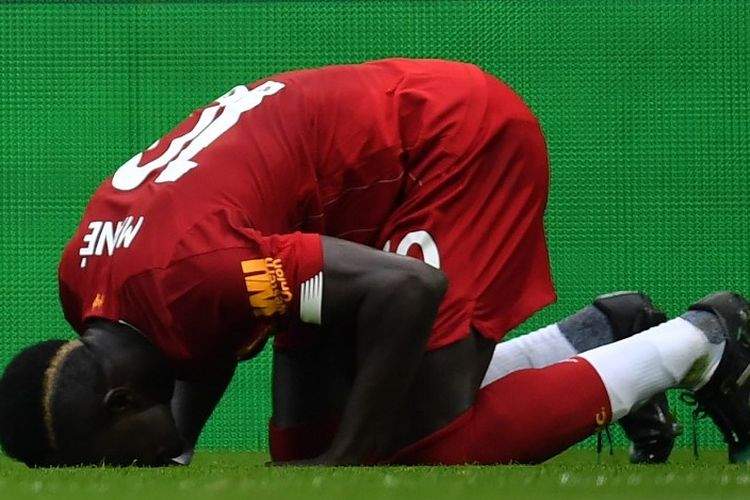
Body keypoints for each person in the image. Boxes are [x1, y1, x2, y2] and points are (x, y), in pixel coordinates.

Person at [0, 59, 748, 467]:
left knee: (423, 442)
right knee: (301, 449)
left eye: (110, 463)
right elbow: (203, 332)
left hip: (444, 146)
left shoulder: (196, 274)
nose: (118, 479)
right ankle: (599, 334)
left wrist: (355, 459)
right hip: (329, 214)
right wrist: (184, 447)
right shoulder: (89, 285)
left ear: (119, 403)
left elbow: (407, 290)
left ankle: (701, 338)